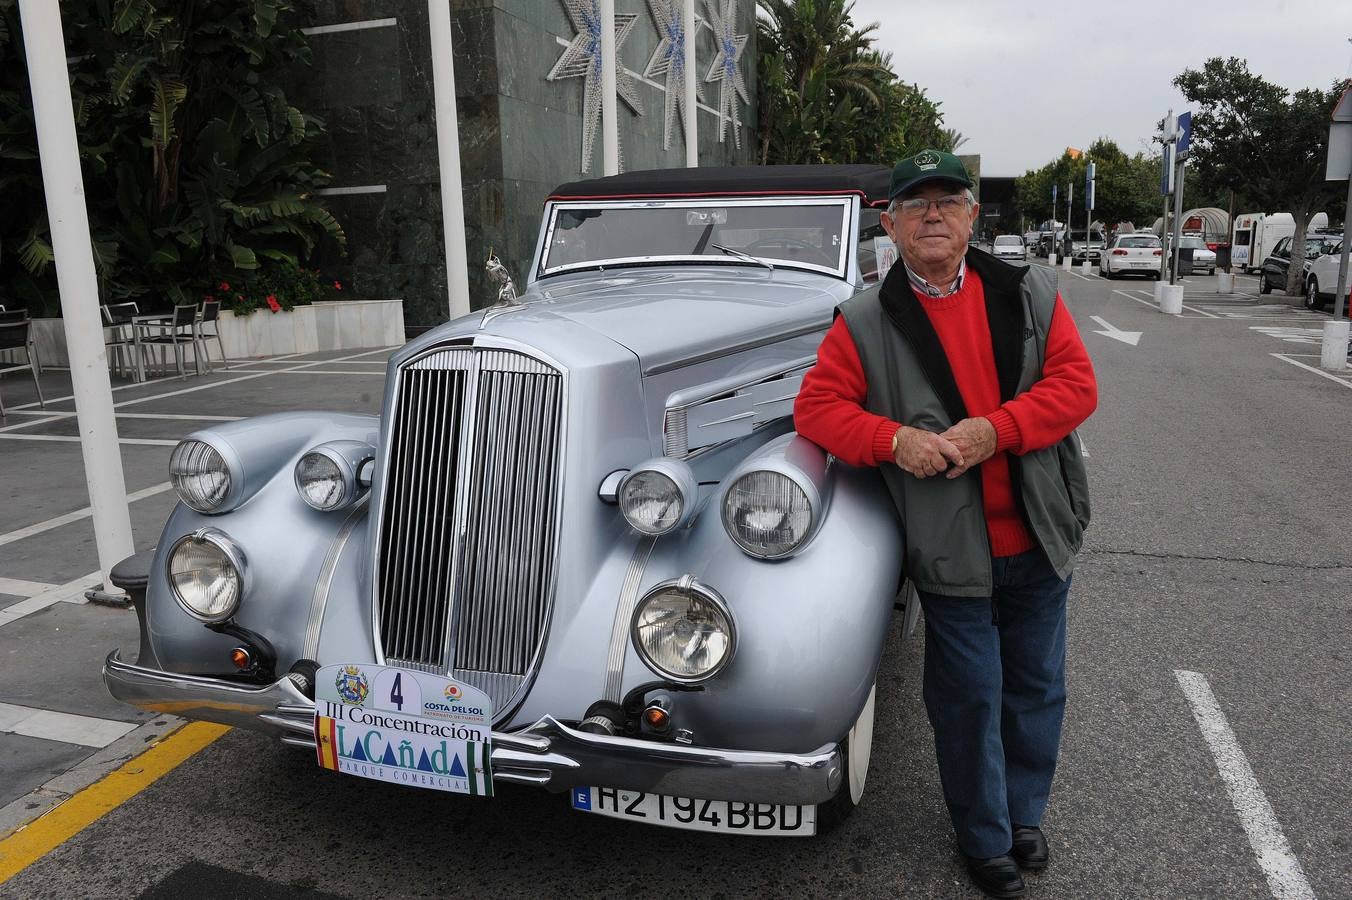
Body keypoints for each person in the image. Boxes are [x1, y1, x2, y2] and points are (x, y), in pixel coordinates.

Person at [794, 150, 1097, 900]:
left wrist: (997, 430)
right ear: (891, 224)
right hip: (949, 546)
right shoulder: (865, 319)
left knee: (1037, 687)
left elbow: (1075, 386)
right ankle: (985, 837)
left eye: (948, 200)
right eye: (915, 203)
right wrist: (893, 440)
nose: (933, 214)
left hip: (1038, 532)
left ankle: (1024, 816)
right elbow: (817, 409)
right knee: (969, 698)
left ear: (972, 216)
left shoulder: (1028, 291)